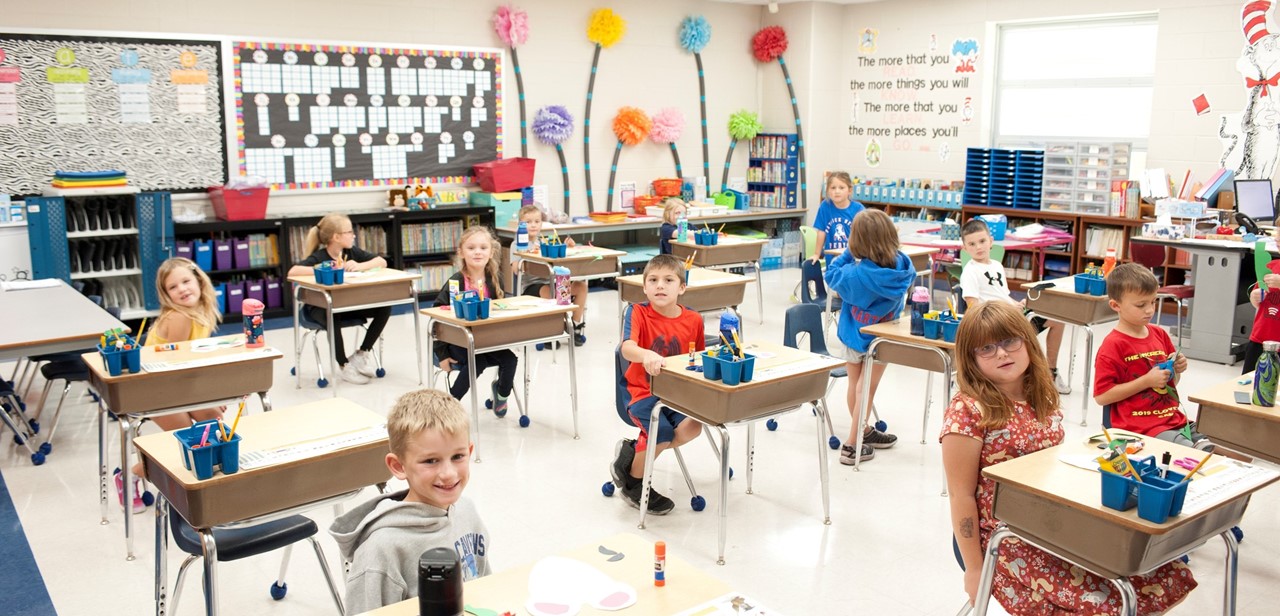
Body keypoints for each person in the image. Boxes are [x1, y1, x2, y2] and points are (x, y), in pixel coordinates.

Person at [942, 300, 1196, 614]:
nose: (1002, 354)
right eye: (987, 349)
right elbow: (961, 495)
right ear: (971, 359)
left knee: (1162, 575)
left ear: (1026, 340)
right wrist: (975, 569)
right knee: (1106, 602)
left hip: (1050, 521)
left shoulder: (1040, 393)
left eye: (1009, 341)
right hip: (1000, 534)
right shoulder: (967, 410)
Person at [330, 389, 490, 613]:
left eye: (457, 457)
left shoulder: (467, 511)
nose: (448, 473)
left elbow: (485, 589)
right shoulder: (381, 550)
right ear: (398, 466)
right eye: (430, 461)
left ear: (470, 452)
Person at [123, 257, 224, 511]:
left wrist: (213, 395)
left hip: (174, 384)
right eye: (173, 287)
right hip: (152, 388)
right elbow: (175, 367)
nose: (182, 289)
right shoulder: (180, 317)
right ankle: (130, 475)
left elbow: (192, 363)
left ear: (199, 280)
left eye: (186, 281)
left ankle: (203, 478)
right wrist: (208, 394)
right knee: (182, 440)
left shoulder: (203, 312)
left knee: (212, 421)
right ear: (166, 294)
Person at [609, 254, 705, 514]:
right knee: (660, 433)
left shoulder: (694, 319)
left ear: (682, 287)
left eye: (668, 280)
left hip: (676, 393)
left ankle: (630, 458)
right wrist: (646, 354)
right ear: (644, 287)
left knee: (694, 426)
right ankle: (634, 483)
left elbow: (695, 358)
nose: (660, 285)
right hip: (641, 393)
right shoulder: (637, 311)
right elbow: (626, 348)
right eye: (653, 280)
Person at [824, 209, 915, 464]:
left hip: (854, 333)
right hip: (883, 335)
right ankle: (856, 439)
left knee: (856, 385)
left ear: (856, 241)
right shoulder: (902, 267)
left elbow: (830, 274)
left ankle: (856, 438)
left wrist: (848, 253)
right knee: (868, 387)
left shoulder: (853, 274)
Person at [1093, 263, 1210, 449]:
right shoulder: (1113, 345)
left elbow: (1169, 384)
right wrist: (1146, 381)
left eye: (1153, 302)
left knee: (1220, 445)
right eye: (1141, 305)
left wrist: (1176, 370)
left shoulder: (1159, 334)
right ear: (1116, 305)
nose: (1149, 310)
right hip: (1138, 428)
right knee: (1194, 452)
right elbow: (1102, 396)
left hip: (1172, 419)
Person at [959, 218, 1071, 394]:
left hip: (1011, 314)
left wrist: (1016, 304)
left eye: (982, 241)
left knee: (1056, 319)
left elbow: (1002, 294)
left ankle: (1051, 373)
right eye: (972, 244)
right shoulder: (970, 272)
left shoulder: (996, 265)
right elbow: (973, 307)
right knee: (1027, 339)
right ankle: (1036, 378)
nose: (978, 247)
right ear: (965, 248)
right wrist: (1006, 310)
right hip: (997, 322)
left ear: (991, 242)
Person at [287, 213, 391, 385]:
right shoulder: (320, 257)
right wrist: (328, 267)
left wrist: (360, 266)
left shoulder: (351, 252)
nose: (354, 235)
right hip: (319, 308)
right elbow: (293, 272)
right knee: (332, 315)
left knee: (384, 307)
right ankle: (343, 365)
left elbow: (381, 261)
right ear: (336, 237)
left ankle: (362, 353)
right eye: (349, 232)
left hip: (347, 304)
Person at [433, 226, 518, 416]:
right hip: (457, 342)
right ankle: (449, 406)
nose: (478, 252)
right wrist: (442, 355)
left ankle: (501, 395)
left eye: (483, 247)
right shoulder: (456, 282)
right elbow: (436, 321)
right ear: (461, 252)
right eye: (471, 248)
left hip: (486, 340)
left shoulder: (495, 280)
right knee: (477, 361)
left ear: (491, 252)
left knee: (510, 359)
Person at [515, 204, 588, 345]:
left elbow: (556, 259)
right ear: (520, 225)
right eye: (528, 222)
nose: (533, 225)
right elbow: (515, 269)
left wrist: (566, 247)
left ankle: (574, 326)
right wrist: (526, 255)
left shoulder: (543, 241)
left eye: (537, 221)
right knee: (551, 291)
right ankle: (552, 329)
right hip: (532, 287)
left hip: (551, 282)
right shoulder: (517, 244)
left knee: (581, 287)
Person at [810, 172, 863, 265]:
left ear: (849, 190)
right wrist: (816, 254)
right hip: (832, 259)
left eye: (841, 188)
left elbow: (865, 233)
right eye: (833, 188)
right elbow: (821, 232)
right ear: (827, 191)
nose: (837, 191)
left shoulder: (858, 209)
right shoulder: (825, 206)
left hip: (853, 259)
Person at [1243, 262, 1280, 373]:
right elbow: (1258, 303)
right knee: (1249, 381)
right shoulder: (1271, 266)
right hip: (1260, 339)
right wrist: (1254, 297)